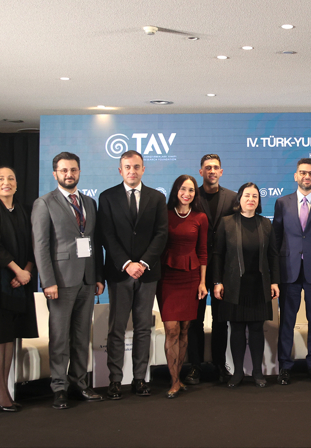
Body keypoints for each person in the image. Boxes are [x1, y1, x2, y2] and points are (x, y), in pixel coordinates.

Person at [32, 152, 104, 409]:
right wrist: (47, 281)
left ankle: (80, 384)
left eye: (73, 170)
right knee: (60, 337)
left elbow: (94, 242)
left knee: (82, 336)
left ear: (79, 171)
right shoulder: (44, 203)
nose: (69, 174)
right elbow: (41, 246)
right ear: (55, 174)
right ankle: (59, 387)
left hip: (87, 279)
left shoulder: (89, 202)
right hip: (60, 281)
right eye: (63, 170)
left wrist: (98, 277)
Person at [98, 150, 168, 400]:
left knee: (143, 328)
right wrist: (127, 264)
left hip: (147, 274)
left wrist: (143, 263)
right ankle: (115, 380)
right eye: (127, 167)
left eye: (136, 166)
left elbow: (161, 234)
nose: (132, 171)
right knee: (116, 329)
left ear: (143, 169)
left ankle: (140, 379)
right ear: (120, 170)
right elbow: (106, 235)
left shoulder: (157, 197)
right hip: (119, 273)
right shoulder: (107, 197)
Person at [0, 166, 38, 412]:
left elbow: (34, 244)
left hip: (21, 281)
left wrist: (26, 271)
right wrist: (17, 271)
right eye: (0, 179)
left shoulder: (25, 210)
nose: (6, 182)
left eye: (11, 178)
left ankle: (6, 388)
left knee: (11, 336)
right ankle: (0, 390)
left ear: (16, 184)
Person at [272, 158, 311, 385]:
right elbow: (275, 240)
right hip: (288, 271)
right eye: (302, 172)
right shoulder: (282, 203)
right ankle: (285, 366)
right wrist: (274, 275)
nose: (306, 176)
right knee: (287, 322)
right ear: (296, 176)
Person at [213, 183, 280, 388]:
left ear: (259, 201)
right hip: (234, 285)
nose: (251, 199)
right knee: (237, 329)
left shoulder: (265, 223)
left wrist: (275, 281)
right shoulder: (226, 223)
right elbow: (218, 254)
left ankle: (258, 372)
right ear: (239, 199)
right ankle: (237, 372)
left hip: (259, 285)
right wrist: (217, 282)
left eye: (255, 196)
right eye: (247, 195)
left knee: (257, 329)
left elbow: (273, 255)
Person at [185, 154, 235, 385]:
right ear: (201, 172)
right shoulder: (191, 196)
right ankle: (194, 366)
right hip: (195, 266)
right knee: (194, 320)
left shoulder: (232, 198)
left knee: (220, 320)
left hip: (223, 268)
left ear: (221, 172)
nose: (212, 171)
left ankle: (219, 365)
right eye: (207, 168)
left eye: (215, 167)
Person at [157, 174, 209, 398]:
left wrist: (203, 282)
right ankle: (174, 380)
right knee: (171, 329)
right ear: (176, 191)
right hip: (167, 277)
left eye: (191, 190)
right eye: (183, 189)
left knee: (185, 329)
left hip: (191, 277)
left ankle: (178, 377)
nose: (186, 194)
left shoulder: (201, 217)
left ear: (195, 194)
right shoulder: (164, 214)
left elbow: (203, 252)